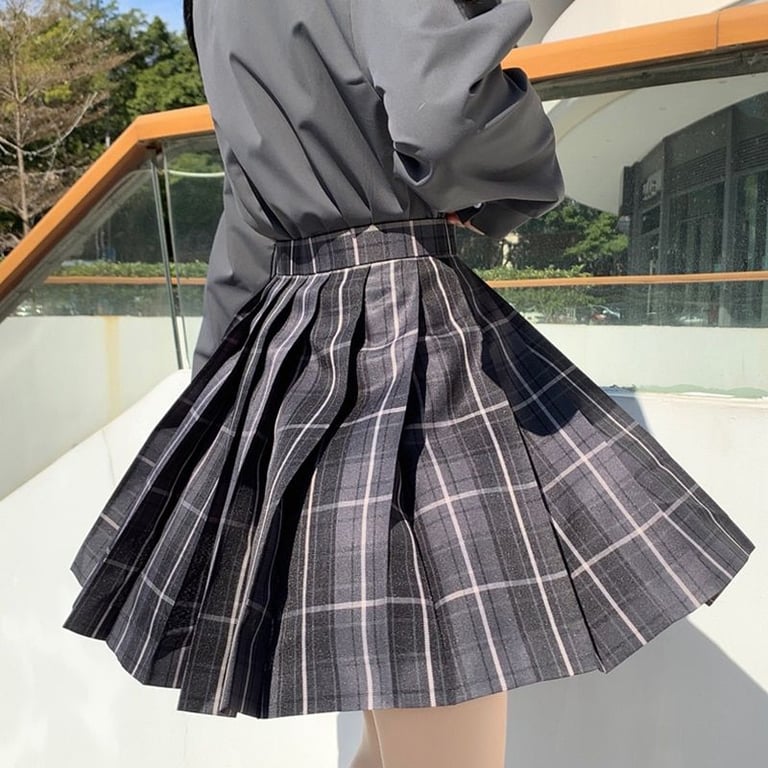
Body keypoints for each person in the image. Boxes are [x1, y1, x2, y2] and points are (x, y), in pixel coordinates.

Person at [63, 2, 755, 767]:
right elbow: (445, 114)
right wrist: (512, 180)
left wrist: (223, 380)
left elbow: (246, 200)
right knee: (431, 698)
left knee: (390, 719)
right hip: (409, 328)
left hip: (289, 338)